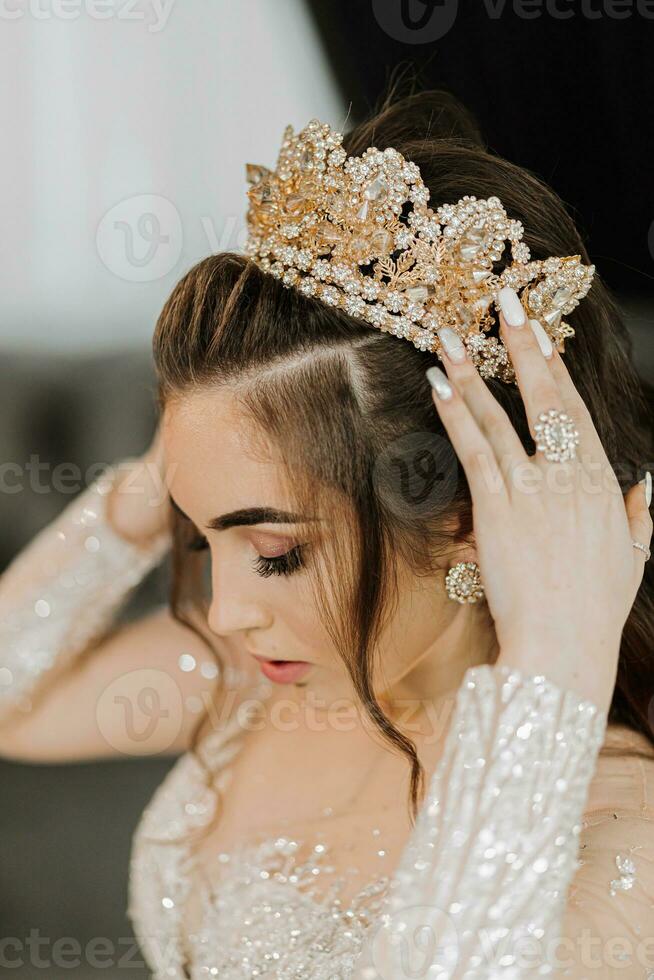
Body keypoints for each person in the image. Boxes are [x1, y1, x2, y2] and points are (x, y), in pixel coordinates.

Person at [1, 89, 653, 979]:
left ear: (465, 521)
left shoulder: (618, 830)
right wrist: (154, 486)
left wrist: (559, 658)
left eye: (276, 554)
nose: (226, 614)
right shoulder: (257, 682)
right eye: (202, 541)